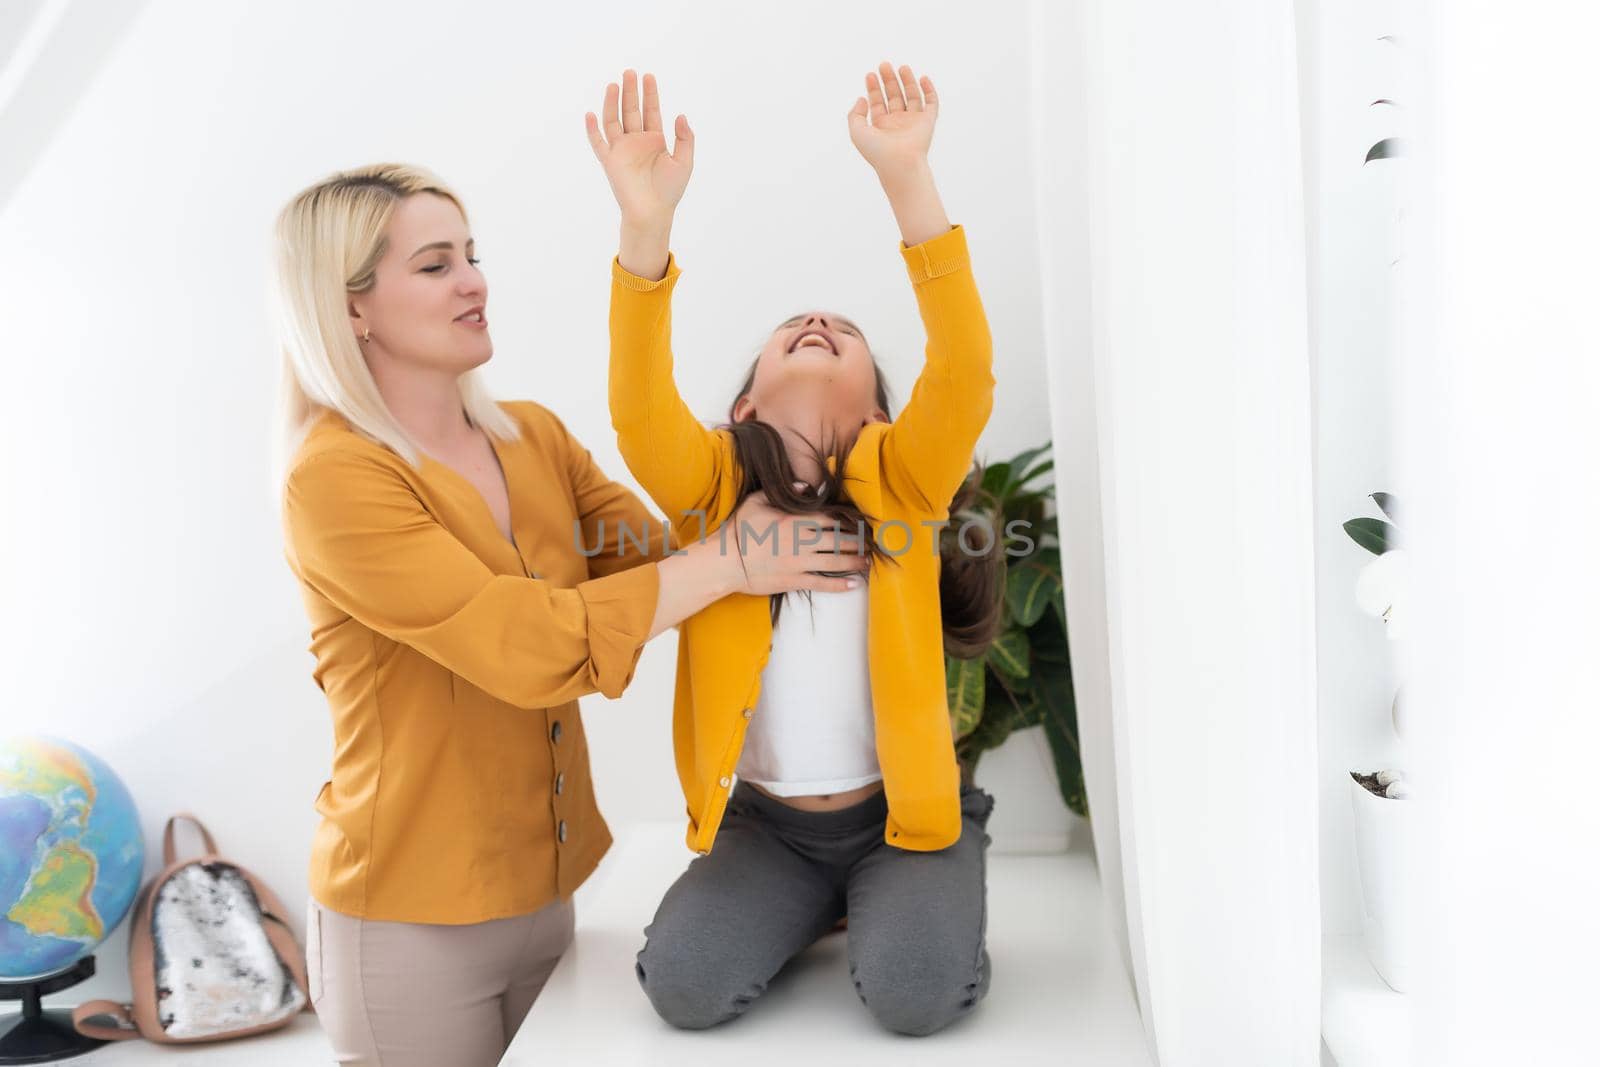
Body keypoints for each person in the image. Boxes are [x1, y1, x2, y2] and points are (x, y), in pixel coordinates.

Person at [272, 162, 868, 1067]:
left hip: (546, 890)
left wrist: (802, 470)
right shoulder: (334, 478)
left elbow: (672, 560)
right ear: (350, 306)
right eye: (435, 266)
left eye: (471, 255)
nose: (475, 280)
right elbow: (527, 643)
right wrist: (729, 560)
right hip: (405, 922)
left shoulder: (532, 436)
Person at [585, 61, 1003, 1036]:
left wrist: (906, 176)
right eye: (792, 331)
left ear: (881, 409)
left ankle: (923, 870)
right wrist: (646, 226)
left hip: (900, 815)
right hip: (766, 827)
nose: (818, 325)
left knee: (915, 996)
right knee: (683, 989)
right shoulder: (711, 489)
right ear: (741, 405)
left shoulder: (906, 476)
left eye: (843, 333)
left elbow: (968, 370)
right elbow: (637, 406)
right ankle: (811, 900)